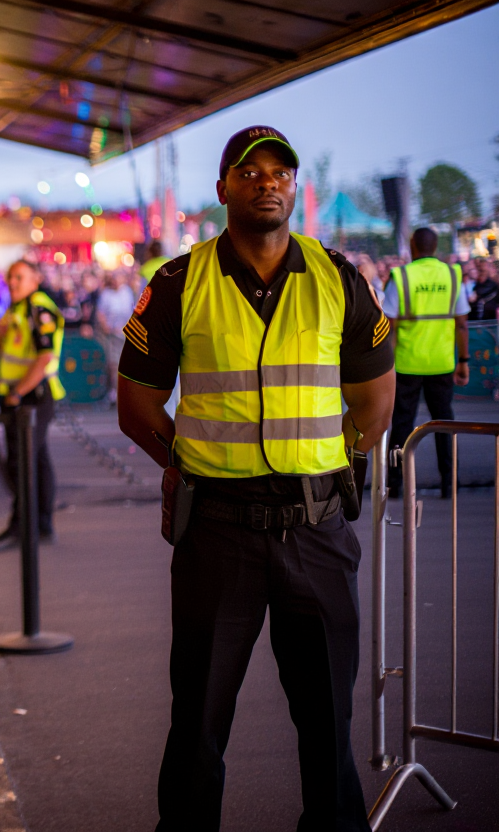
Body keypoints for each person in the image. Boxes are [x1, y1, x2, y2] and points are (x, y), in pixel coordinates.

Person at [117, 125, 395, 832]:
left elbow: (374, 399)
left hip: (316, 529)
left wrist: (336, 465)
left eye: (280, 172)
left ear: (295, 188)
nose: (266, 181)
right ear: (222, 191)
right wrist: (185, 463)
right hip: (218, 532)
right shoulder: (181, 281)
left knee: (329, 719)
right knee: (198, 722)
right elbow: (137, 403)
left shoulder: (338, 277)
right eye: (250, 172)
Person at [0, 260, 65, 551]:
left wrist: (17, 393)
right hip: (20, 396)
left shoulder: (39, 309)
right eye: (10, 277)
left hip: (32, 397)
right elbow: (0, 350)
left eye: (19, 277)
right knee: (36, 459)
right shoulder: (16, 309)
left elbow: (44, 357)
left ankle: (21, 527)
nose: (13, 282)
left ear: (35, 280)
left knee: (22, 461)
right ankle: (40, 525)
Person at [383, 227, 470, 498]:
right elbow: (462, 324)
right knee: (444, 423)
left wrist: (384, 368)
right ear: (435, 247)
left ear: (412, 245)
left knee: (401, 425)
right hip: (441, 363)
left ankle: (395, 483)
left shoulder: (401, 276)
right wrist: (463, 360)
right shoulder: (452, 275)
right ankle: (449, 482)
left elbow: (389, 327)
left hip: (407, 364)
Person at [95, 270, 136, 405]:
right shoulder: (106, 294)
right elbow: (100, 313)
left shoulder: (127, 292)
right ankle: (116, 393)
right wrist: (107, 327)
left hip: (126, 335)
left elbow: (133, 310)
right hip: (112, 336)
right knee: (114, 365)